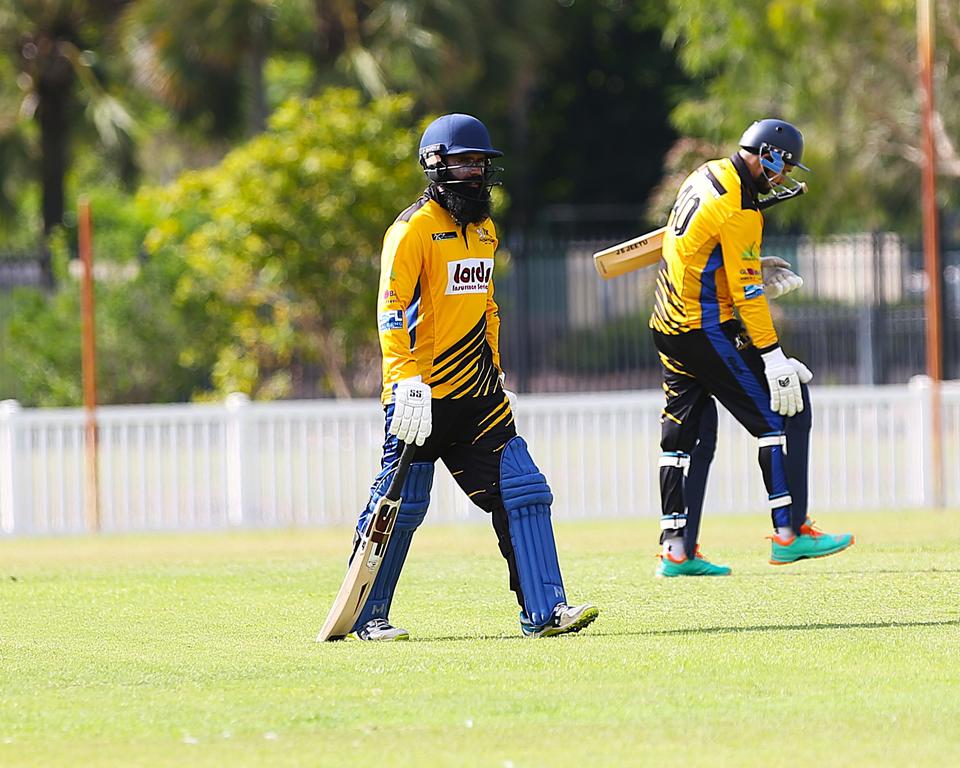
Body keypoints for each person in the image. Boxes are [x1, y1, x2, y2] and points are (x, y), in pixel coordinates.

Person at [346, 113, 599, 640]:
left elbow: (487, 308)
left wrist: (497, 366)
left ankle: (546, 612)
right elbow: (391, 309)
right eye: (464, 162)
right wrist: (404, 379)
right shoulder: (411, 230)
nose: (476, 172)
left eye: (482, 163)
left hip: (479, 393)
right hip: (420, 395)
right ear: (435, 166)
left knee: (525, 490)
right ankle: (367, 615)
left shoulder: (485, 230)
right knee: (404, 504)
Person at [648, 118, 855, 576]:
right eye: (784, 167)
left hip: (668, 323)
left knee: (690, 438)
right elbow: (748, 296)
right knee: (784, 412)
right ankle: (790, 533)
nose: (783, 178)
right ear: (769, 156)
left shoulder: (707, 173)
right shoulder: (742, 208)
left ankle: (676, 550)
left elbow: (691, 245)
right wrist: (772, 354)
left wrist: (749, 261)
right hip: (705, 327)